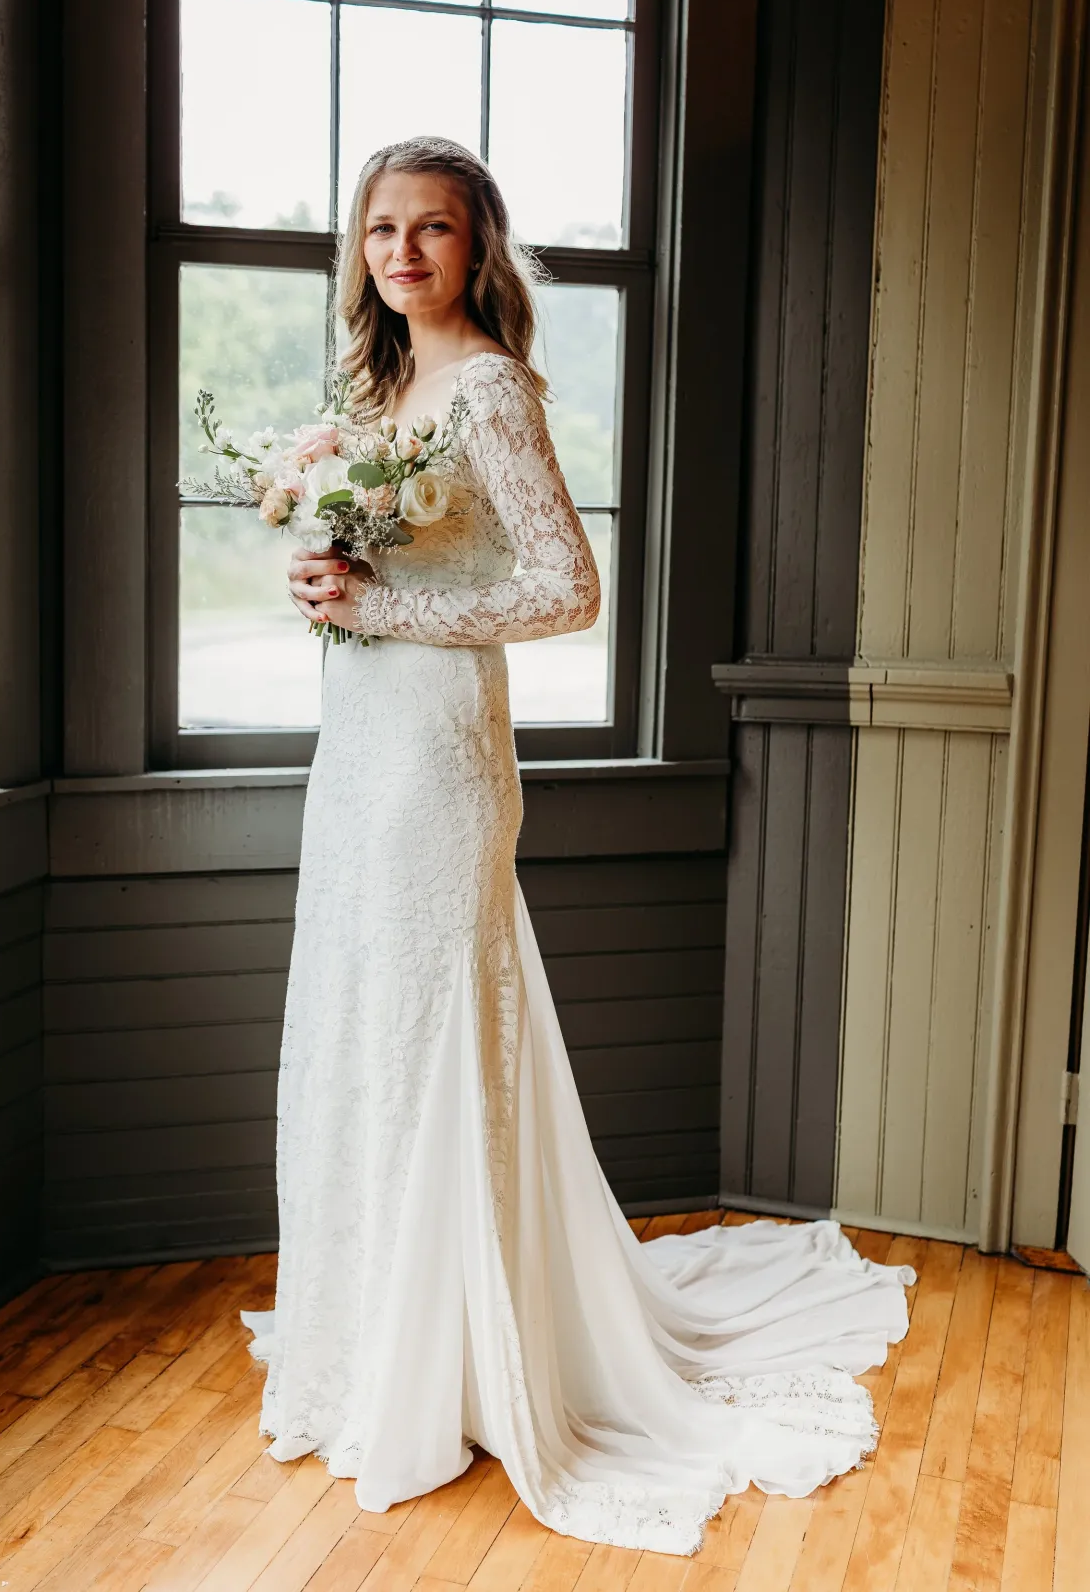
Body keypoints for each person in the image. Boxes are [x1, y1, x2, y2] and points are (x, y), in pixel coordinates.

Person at [242, 136, 913, 1556]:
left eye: (433, 230)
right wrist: (324, 572)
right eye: (381, 231)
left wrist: (384, 613)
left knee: (433, 1026)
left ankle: (472, 1358)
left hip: (438, 758)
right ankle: (379, 1337)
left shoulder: (485, 385)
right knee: (364, 1023)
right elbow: (403, 567)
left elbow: (565, 589)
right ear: (359, 250)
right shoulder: (381, 387)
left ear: (478, 247)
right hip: (360, 747)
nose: (404, 253)